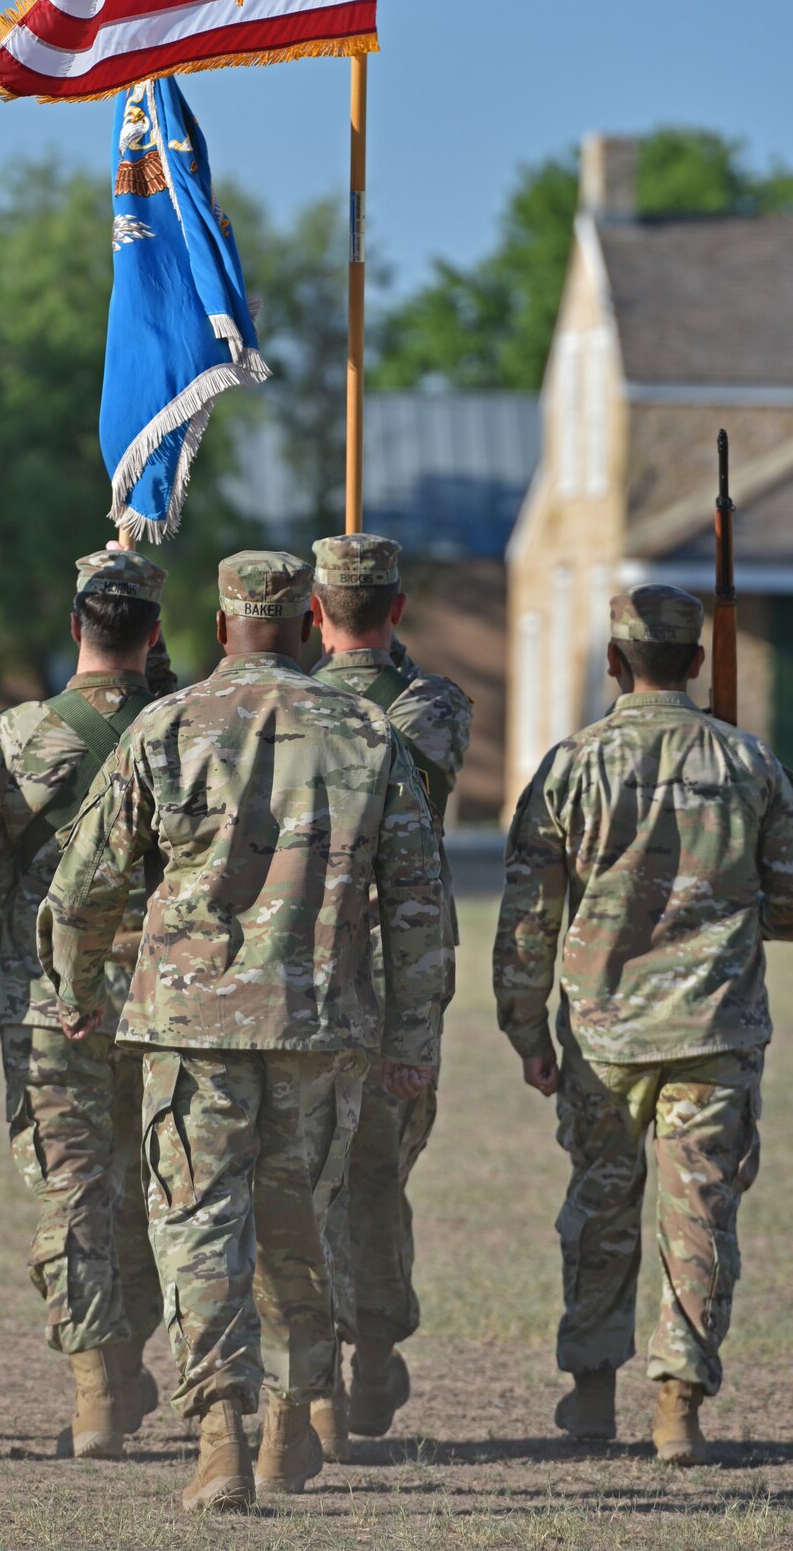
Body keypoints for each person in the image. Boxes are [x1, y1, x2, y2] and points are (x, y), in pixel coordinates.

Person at [40, 550, 445, 1513]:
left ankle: (219, 1436)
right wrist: (411, 1041)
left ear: (220, 628)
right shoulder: (365, 731)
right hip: (319, 1026)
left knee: (197, 1229)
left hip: (192, 1026)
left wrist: (77, 990)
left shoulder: (165, 725)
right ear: (306, 620)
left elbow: (85, 883)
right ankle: (294, 1419)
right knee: (299, 1227)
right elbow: (421, 907)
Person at [494, 584, 793, 1465]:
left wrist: (525, 1030)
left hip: (603, 1038)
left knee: (600, 1207)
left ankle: (591, 1390)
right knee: (700, 1216)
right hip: (713, 1032)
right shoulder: (747, 763)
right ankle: (677, 1403)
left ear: (613, 662)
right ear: (696, 661)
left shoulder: (571, 767)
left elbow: (529, 916)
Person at [0, 547, 170, 1461]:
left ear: (75, 630)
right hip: (172, 1004)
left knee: (74, 1193)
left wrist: (24, 956)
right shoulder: (186, 730)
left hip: (51, 1003)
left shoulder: (14, 738)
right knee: (160, 1192)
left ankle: (97, 1395)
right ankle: (126, 1367)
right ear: (156, 634)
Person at [308, 532, 472, 1454]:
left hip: (310, 967)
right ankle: (370, 1353)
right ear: (397, 611)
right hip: (401, 970)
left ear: (312, 613)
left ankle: (322, 1374)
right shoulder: (436, 704)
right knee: (378, 1173)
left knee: (307, 1175)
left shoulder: (290, 709)